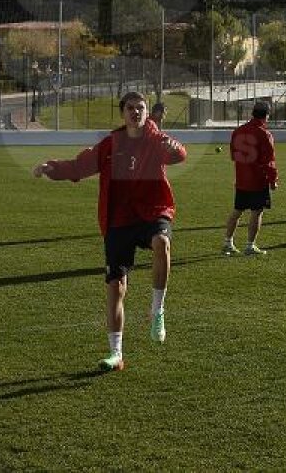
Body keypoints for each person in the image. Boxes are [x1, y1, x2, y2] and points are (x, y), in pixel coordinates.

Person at [33, 91, 186, 373]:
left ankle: (157, 309)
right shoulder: (110, 144)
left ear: (147, 112)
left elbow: (178, 154)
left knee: (162, 240)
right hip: (118, 220)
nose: (136, 112)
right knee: (116, 287)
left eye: (141, 108)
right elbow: (80, 166)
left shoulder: (155, 139)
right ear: (122, 113)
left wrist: (170, 144)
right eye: (130, 108)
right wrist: (51, 168)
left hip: (153, 210)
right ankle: (116, 354)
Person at [223, 102, 277, 256]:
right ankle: (250, 245)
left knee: (237, 211)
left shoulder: (238, 131)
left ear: (253, 113)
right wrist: (273, 180)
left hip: (241, 179)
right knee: (257, 212)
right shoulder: (265, 134)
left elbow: (233, 155)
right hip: (257, 180)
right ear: (266, 115)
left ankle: (228, 242)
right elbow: (269, 161)